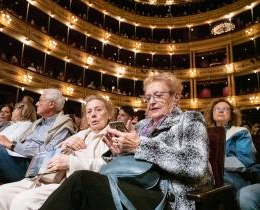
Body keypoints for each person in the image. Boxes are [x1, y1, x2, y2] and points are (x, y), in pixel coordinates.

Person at [39, 72, 213, 210]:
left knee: (81, 181)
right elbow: (131, 166)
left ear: (176, 97)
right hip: (133, 185)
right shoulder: (142, 125)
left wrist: (140, 146)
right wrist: (118, 152)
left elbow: (195, 165)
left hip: (168, 195)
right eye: (148, 97)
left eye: (158, 95)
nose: (151, 102)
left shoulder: (189, 119)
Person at [0, 95, 113, 210]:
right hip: (47, 176)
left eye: (98, 110)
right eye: (89, 111)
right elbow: (51, 153)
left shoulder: (114, 136)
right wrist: (66, 145)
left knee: (23, 202)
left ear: (109, 114)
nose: (93, 115)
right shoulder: (81, 134)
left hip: (69, 184)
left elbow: (109, 167)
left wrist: (71, 162)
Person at [206, 99, 260, 210]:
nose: (221, 111)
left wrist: (210, 163)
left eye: (225, 109)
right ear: (212, 114)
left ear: (231, 115)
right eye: (217, 109)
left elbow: (244, 161)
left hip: (234, 176)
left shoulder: (240, 132)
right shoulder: (205, 133)